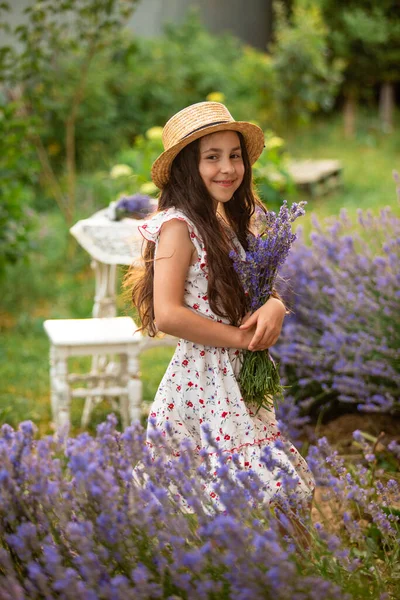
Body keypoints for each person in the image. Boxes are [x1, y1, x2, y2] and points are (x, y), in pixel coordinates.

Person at [128, 101, 314, 510]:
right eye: (212, 158)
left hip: (236, 377)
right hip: (202, 381)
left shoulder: (231, 221)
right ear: (185, 168)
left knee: (276, 493)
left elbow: (254, 289)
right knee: (240, 499)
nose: (227, 168)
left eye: (234, 156)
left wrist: (275, 307)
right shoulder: (178, 227)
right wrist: (239, 339)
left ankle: (282, 573)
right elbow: (168, 313)